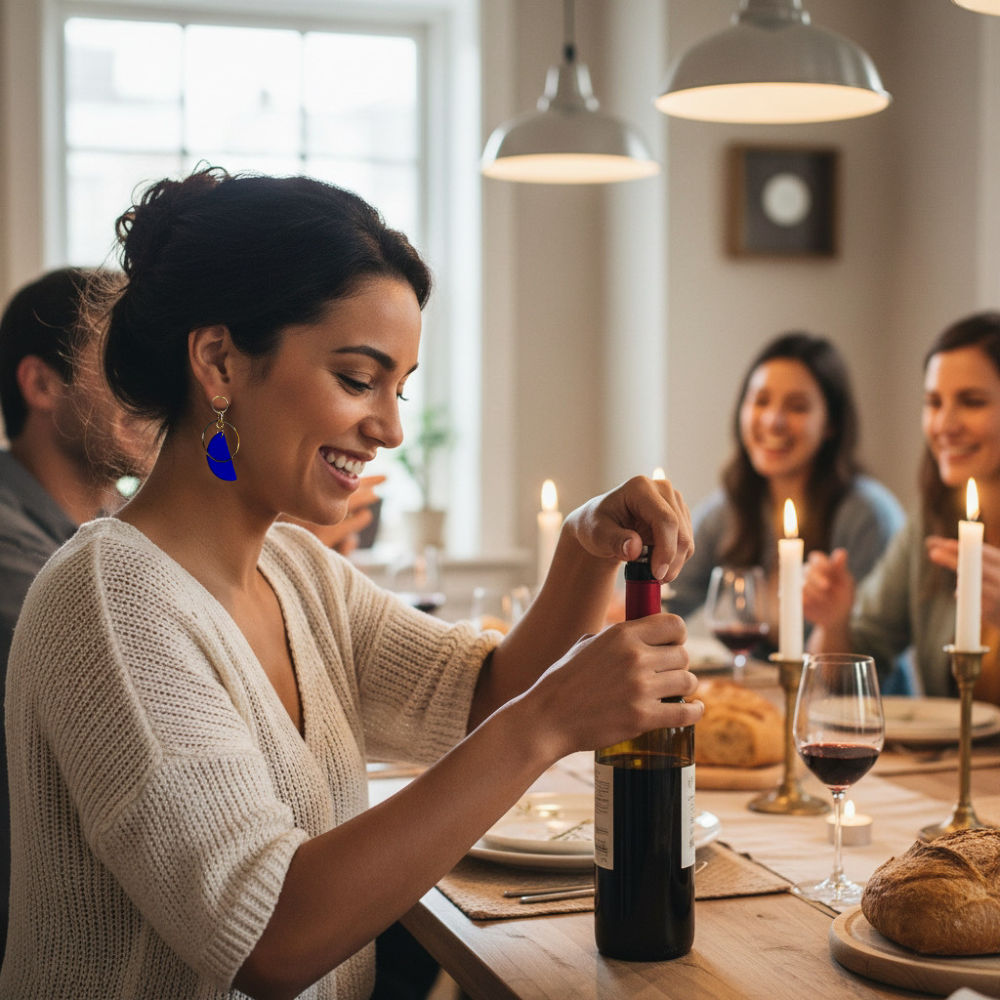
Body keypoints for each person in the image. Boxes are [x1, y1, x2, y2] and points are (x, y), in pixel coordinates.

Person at [0, 166, 702, 1000]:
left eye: (399, 389)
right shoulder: (108, 600)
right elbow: (270, 939)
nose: (392, 428)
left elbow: (478, 699)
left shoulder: (294, 571)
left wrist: (586, 549)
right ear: (220, 362)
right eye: (357, 378)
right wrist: (547, 723)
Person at [0, 267, 157, 959]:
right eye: (120, 360)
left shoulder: (125, 525)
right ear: (40, 385)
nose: (150, 388)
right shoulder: (12, 543)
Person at [804, 312, 1000, 707]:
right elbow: (842, 678)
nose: (945, 424)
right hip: (950, 768)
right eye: (933, 403)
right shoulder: (933, 521)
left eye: (972, 402)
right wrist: (835, 620)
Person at [667, 332, 904, 653]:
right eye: (761, 401)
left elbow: (867, 657)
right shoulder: (728, 509)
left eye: (797, 406)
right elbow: (665, 598)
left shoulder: (868, 517)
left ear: (831, 424)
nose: (773, 421)